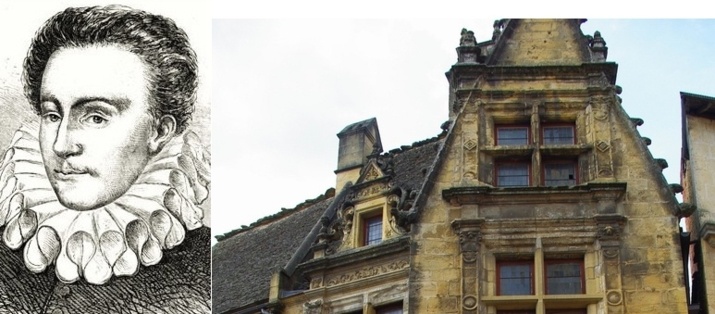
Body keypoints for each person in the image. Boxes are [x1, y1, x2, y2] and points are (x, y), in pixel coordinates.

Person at [0, 5, 210, 313]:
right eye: (52, 114)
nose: (61, 145)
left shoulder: (203, 271)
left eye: (96, 117)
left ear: (159, 131)